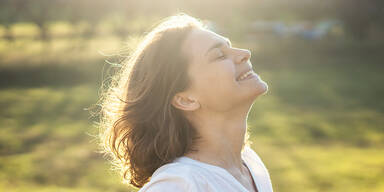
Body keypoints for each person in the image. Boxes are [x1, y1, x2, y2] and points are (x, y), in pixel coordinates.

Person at [98, 13, 273, 192]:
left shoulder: (250, 164)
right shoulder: (179, 185)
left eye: (230, 47)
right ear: (186, 99)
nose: (245, 53)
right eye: (219, 55)